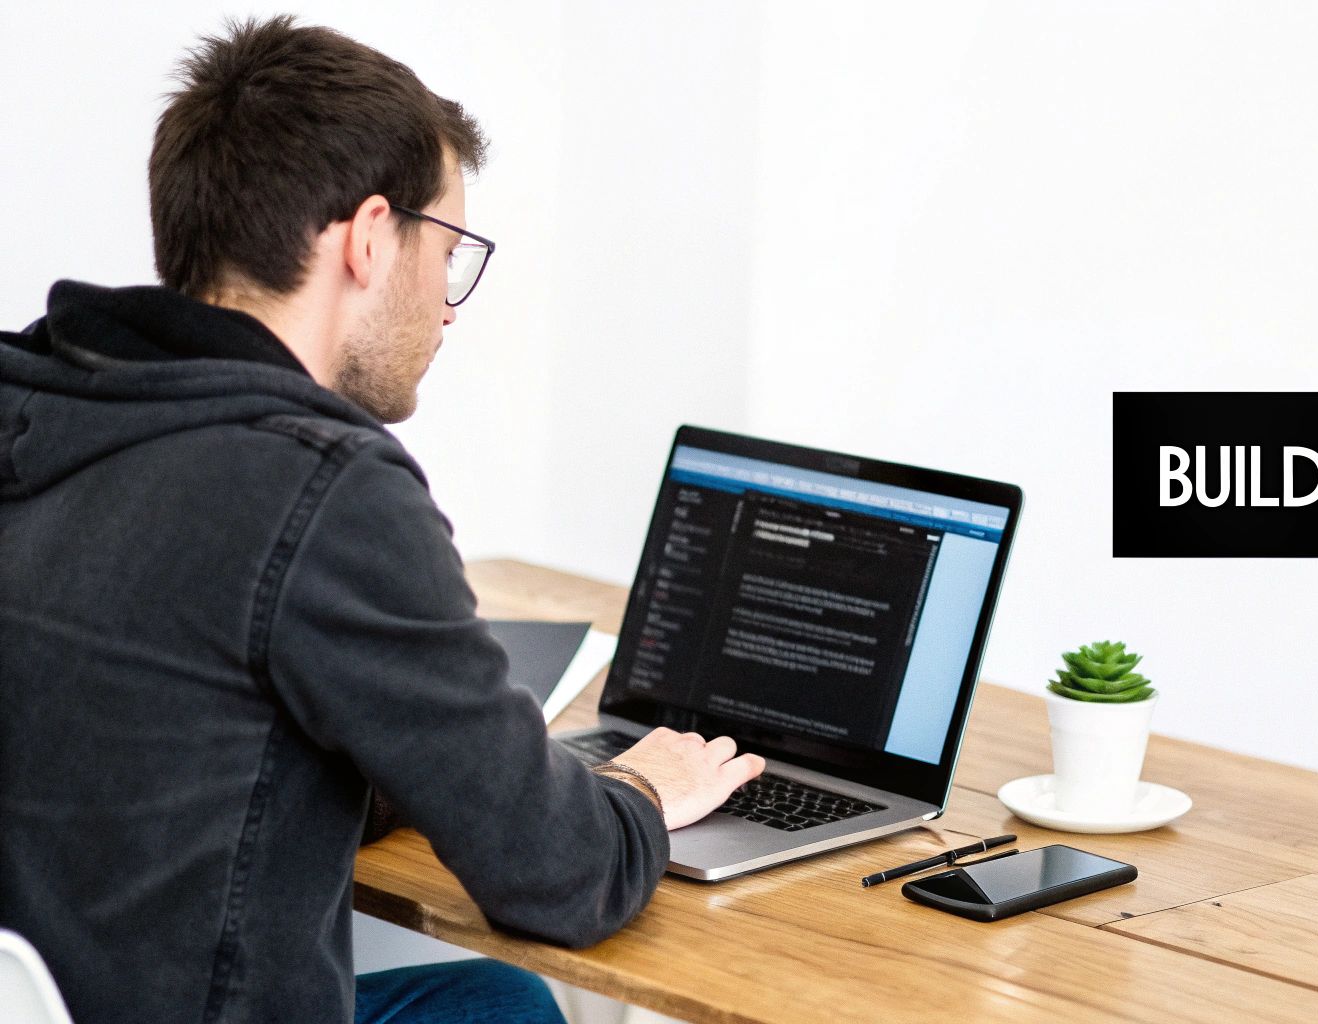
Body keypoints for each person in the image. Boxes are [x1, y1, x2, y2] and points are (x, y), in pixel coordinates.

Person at [0, 15, 763, 1024]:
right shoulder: (320, 489)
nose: (448, 306)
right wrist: (643, 791)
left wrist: (422, 753)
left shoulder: (40, 405)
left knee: (486, 997)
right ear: (368, 237)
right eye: (447, 252)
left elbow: (163, 743)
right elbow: (561, 876)